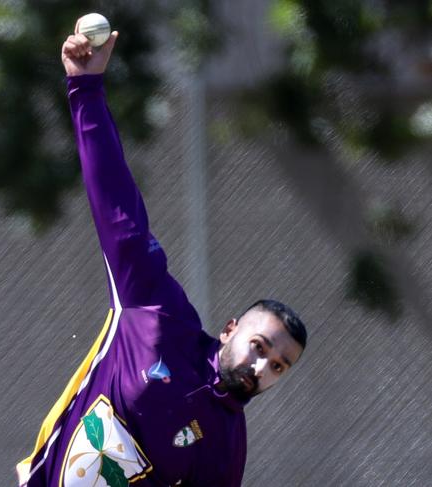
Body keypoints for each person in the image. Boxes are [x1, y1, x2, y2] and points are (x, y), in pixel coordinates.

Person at [17, 22, 307, 487]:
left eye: (277, 366)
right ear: (231, 328)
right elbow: (116, 204)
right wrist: (85, 87)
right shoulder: (154, 314)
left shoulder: (226, 447)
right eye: (260, 348)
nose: (260, 368)